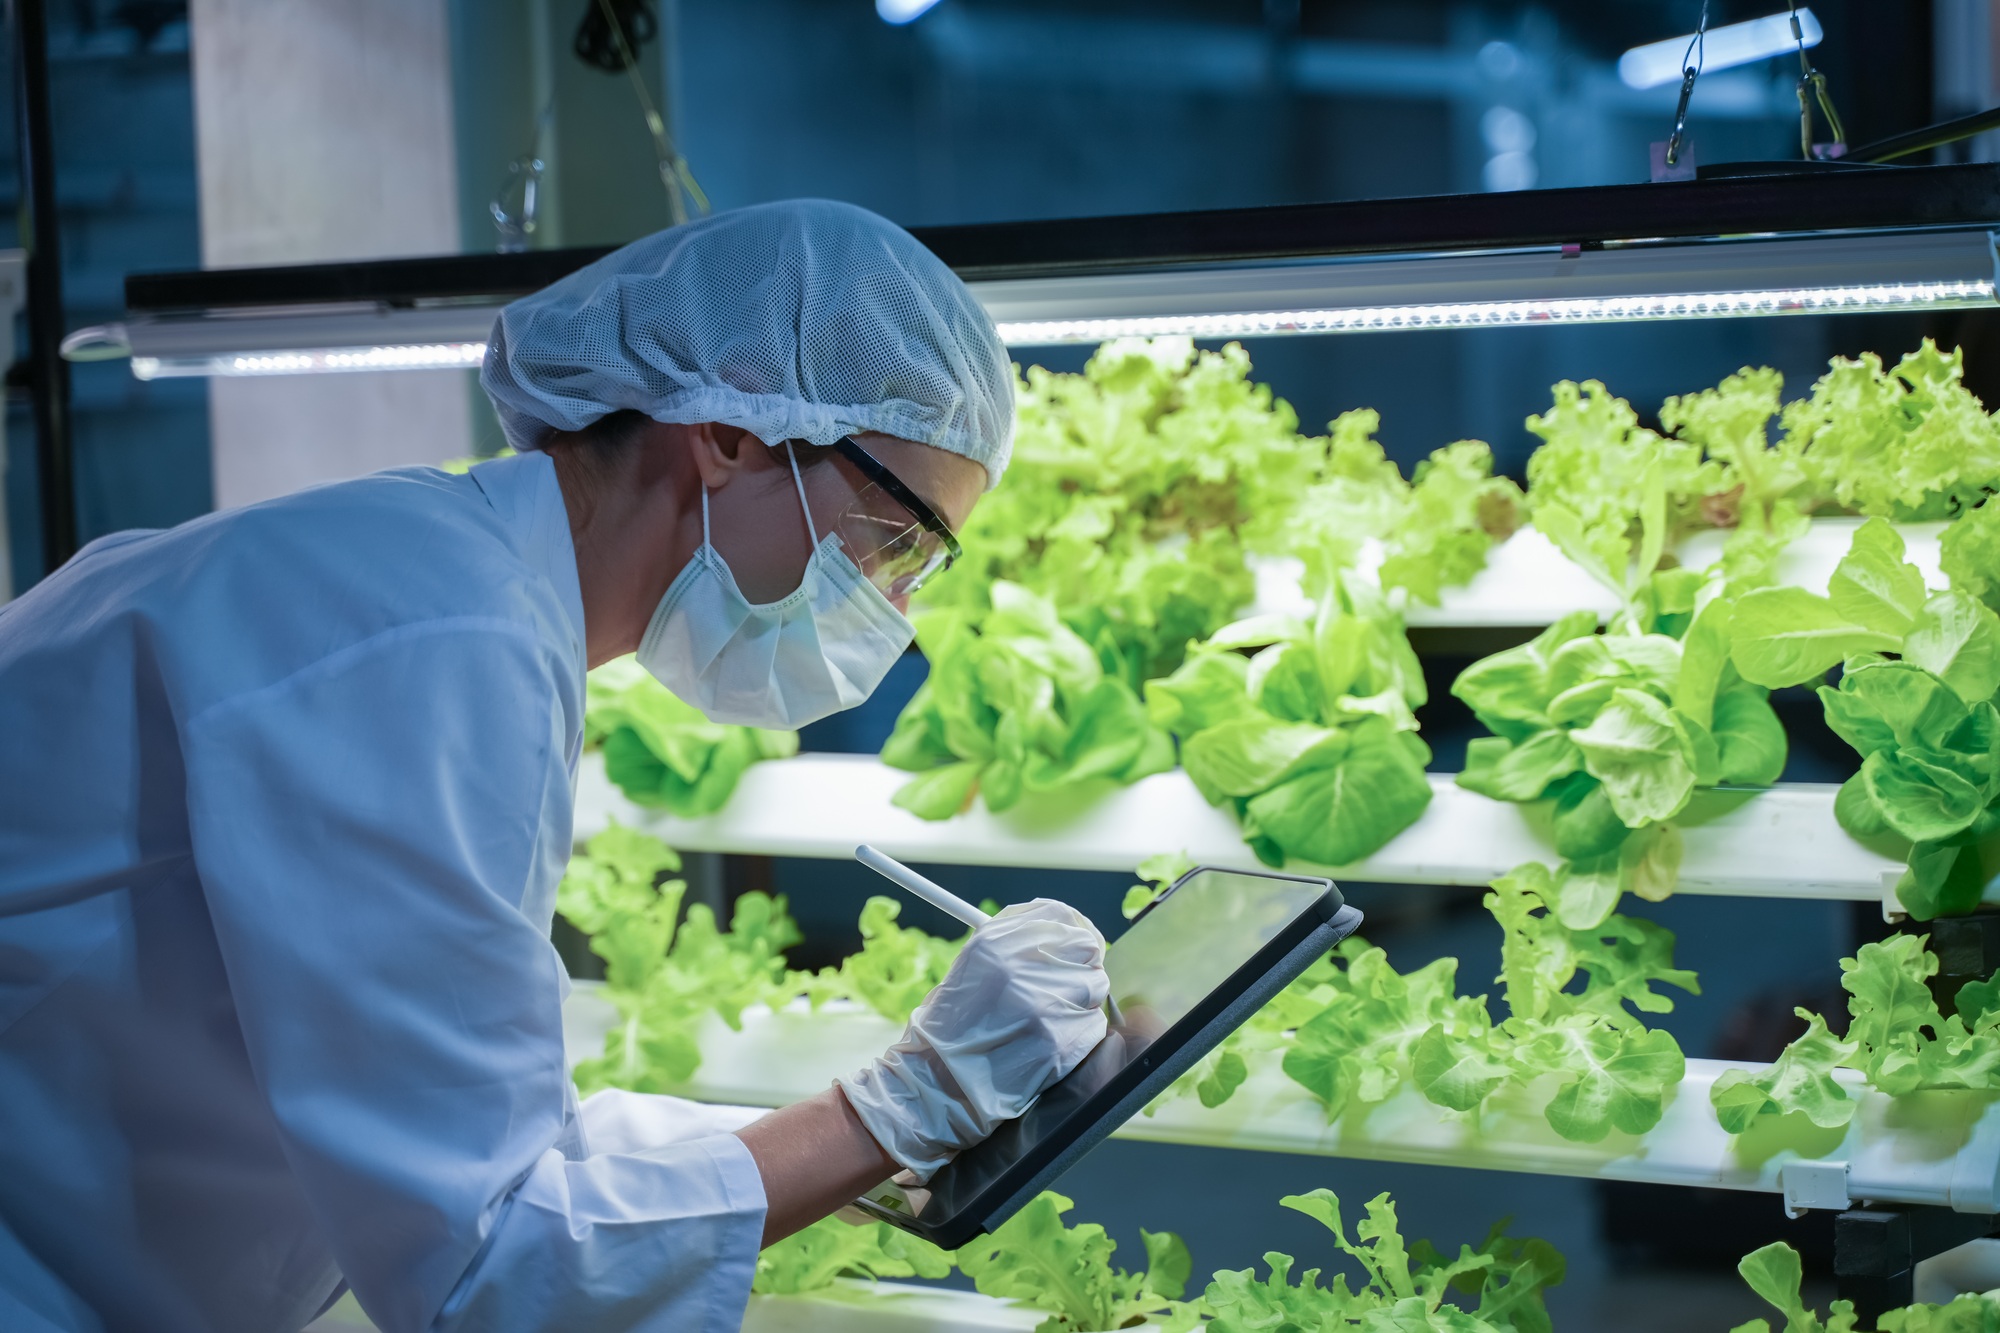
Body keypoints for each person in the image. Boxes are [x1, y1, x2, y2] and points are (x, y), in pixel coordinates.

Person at [0, 199, 1111, 1333]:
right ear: (729, 433)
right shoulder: (434, 642)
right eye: (898, 536)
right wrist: (901, 1105)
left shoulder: (446, 584)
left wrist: (858, 1137)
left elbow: (495, 1138)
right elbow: (488, 1267)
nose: (895, 606)